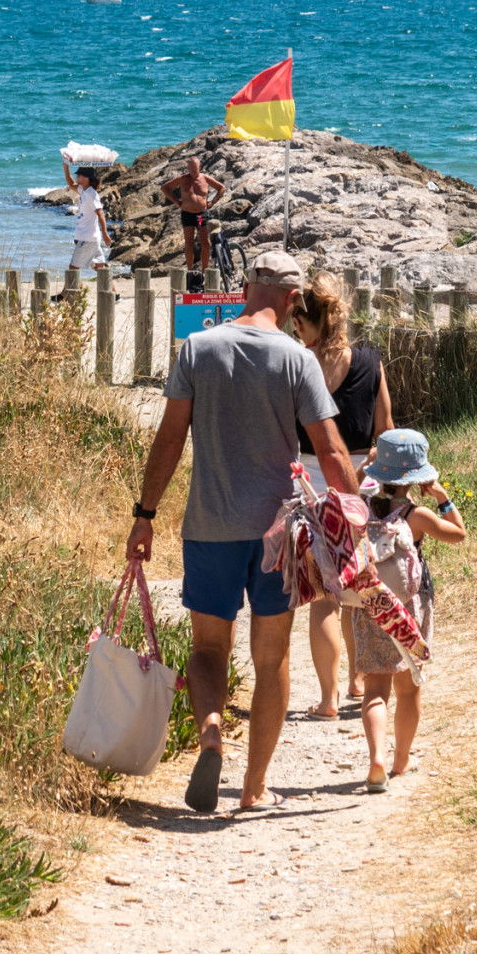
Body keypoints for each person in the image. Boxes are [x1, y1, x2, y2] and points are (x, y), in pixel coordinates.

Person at [127, 251, 364, 814]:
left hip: (208, 525)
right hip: (277, 535)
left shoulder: (198, 348)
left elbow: (169, 438)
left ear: (243, 288)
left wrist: (145, 514)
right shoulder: (297, 359)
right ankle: (254, 787)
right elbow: (331, 450)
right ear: (292, 299)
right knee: (272, 656)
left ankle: (211, 731)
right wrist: (358, 523)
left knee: (208, 648)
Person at [287, 271, 393, 719]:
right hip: (360, 484)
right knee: (358, 587)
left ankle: (328, 699)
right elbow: (385, 432)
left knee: (323, 598)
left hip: (310, 488)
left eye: (297, 325)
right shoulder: (370, 362)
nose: (295, 332)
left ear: (306, 322)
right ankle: (357, 679)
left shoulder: (297, 365)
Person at [343, 427, 464, 791]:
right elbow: (459, 534)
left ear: (379, 470)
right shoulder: (418, 516)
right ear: (417, 475)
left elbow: (346, 493)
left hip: (371, 604)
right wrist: (441, 495)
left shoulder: (360, 508)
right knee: (408, 689)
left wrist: (363, 468)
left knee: (375, 689)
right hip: (411, 606)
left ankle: (376, 758)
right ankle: (401, 760)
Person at [158, 155, 228, 287]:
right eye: (191, 168)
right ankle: (190, 271)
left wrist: (212, 202)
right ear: (188, 168)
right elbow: (164, 188)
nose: (194, 171)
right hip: (188, 214)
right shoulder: (183, 179)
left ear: (199, 167)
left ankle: (205, 272)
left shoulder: (205, 178)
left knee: (205, 242)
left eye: (196, 168)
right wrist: (177, 202)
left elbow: (221, 188)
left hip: (200, 215)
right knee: (189, 242)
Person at [63, 155, 112, 278]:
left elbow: (100, 213)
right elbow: (71, 183)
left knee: (73, 268)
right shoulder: (83, 190)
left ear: (87, 178)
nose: (77, 177)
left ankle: (68, 290)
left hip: (87, 238)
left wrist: (105, 234)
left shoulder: (91, 194)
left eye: (79, 175)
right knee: (100, 268)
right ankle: (112, 290)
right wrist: (66, 167)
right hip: (90, 237)